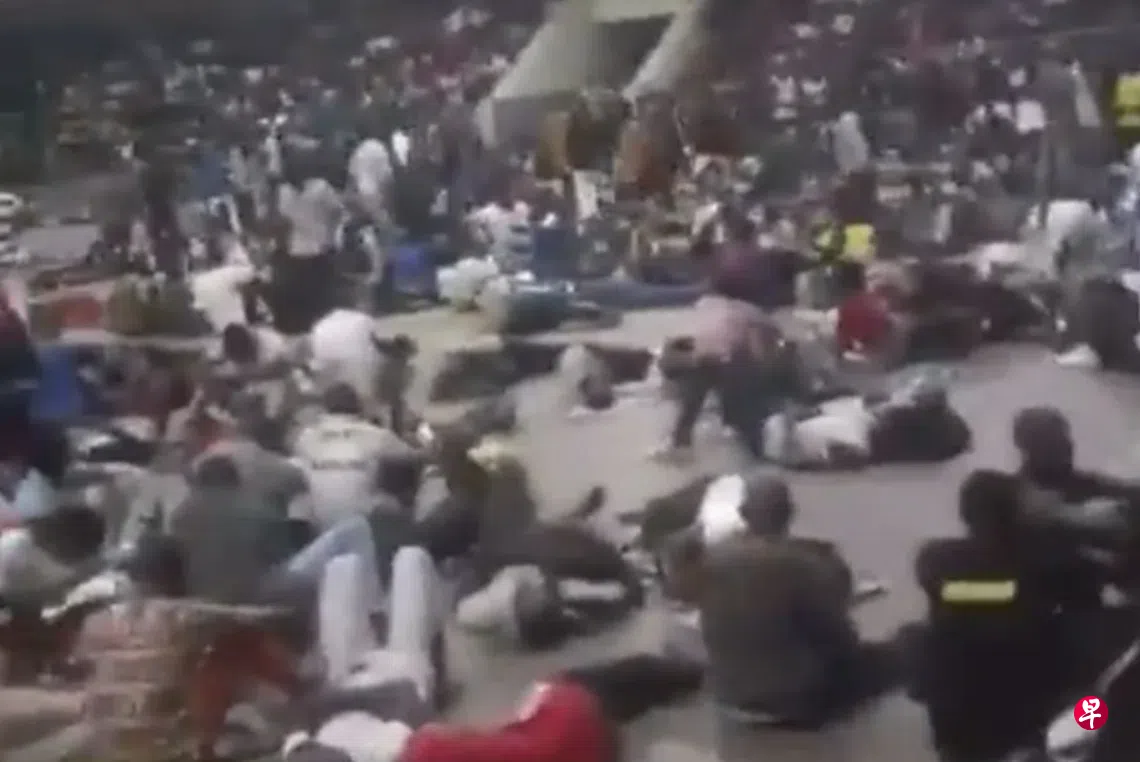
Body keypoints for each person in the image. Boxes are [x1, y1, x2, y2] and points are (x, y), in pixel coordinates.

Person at [678, 474, 894, 726]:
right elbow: (840, 639)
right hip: (794, 702)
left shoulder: (711, 558)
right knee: (894, 654)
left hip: (727, 696)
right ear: (790, 512)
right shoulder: (804, 563)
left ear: (743, 513)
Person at [912, 469, 1078, 760]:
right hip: (1025, 717)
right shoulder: (1042, 564)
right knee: (1103, 706)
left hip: (960, 723)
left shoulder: (937, 559)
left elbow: (969, 591)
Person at [652, 294, 778, 461]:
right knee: (741, 397)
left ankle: (680, 443)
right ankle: (750, 445)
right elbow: (759, 353)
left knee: (694, 399)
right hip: (724, 360)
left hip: (695, 359)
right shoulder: (755, 315)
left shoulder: (706, 303)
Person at [291, 383, 423, 532]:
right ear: (358, 407)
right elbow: (414, 456)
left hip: (317, 524)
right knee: (394, 501)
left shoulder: (306, 437)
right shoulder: (376, 435)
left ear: (325, 407)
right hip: (362, 522)